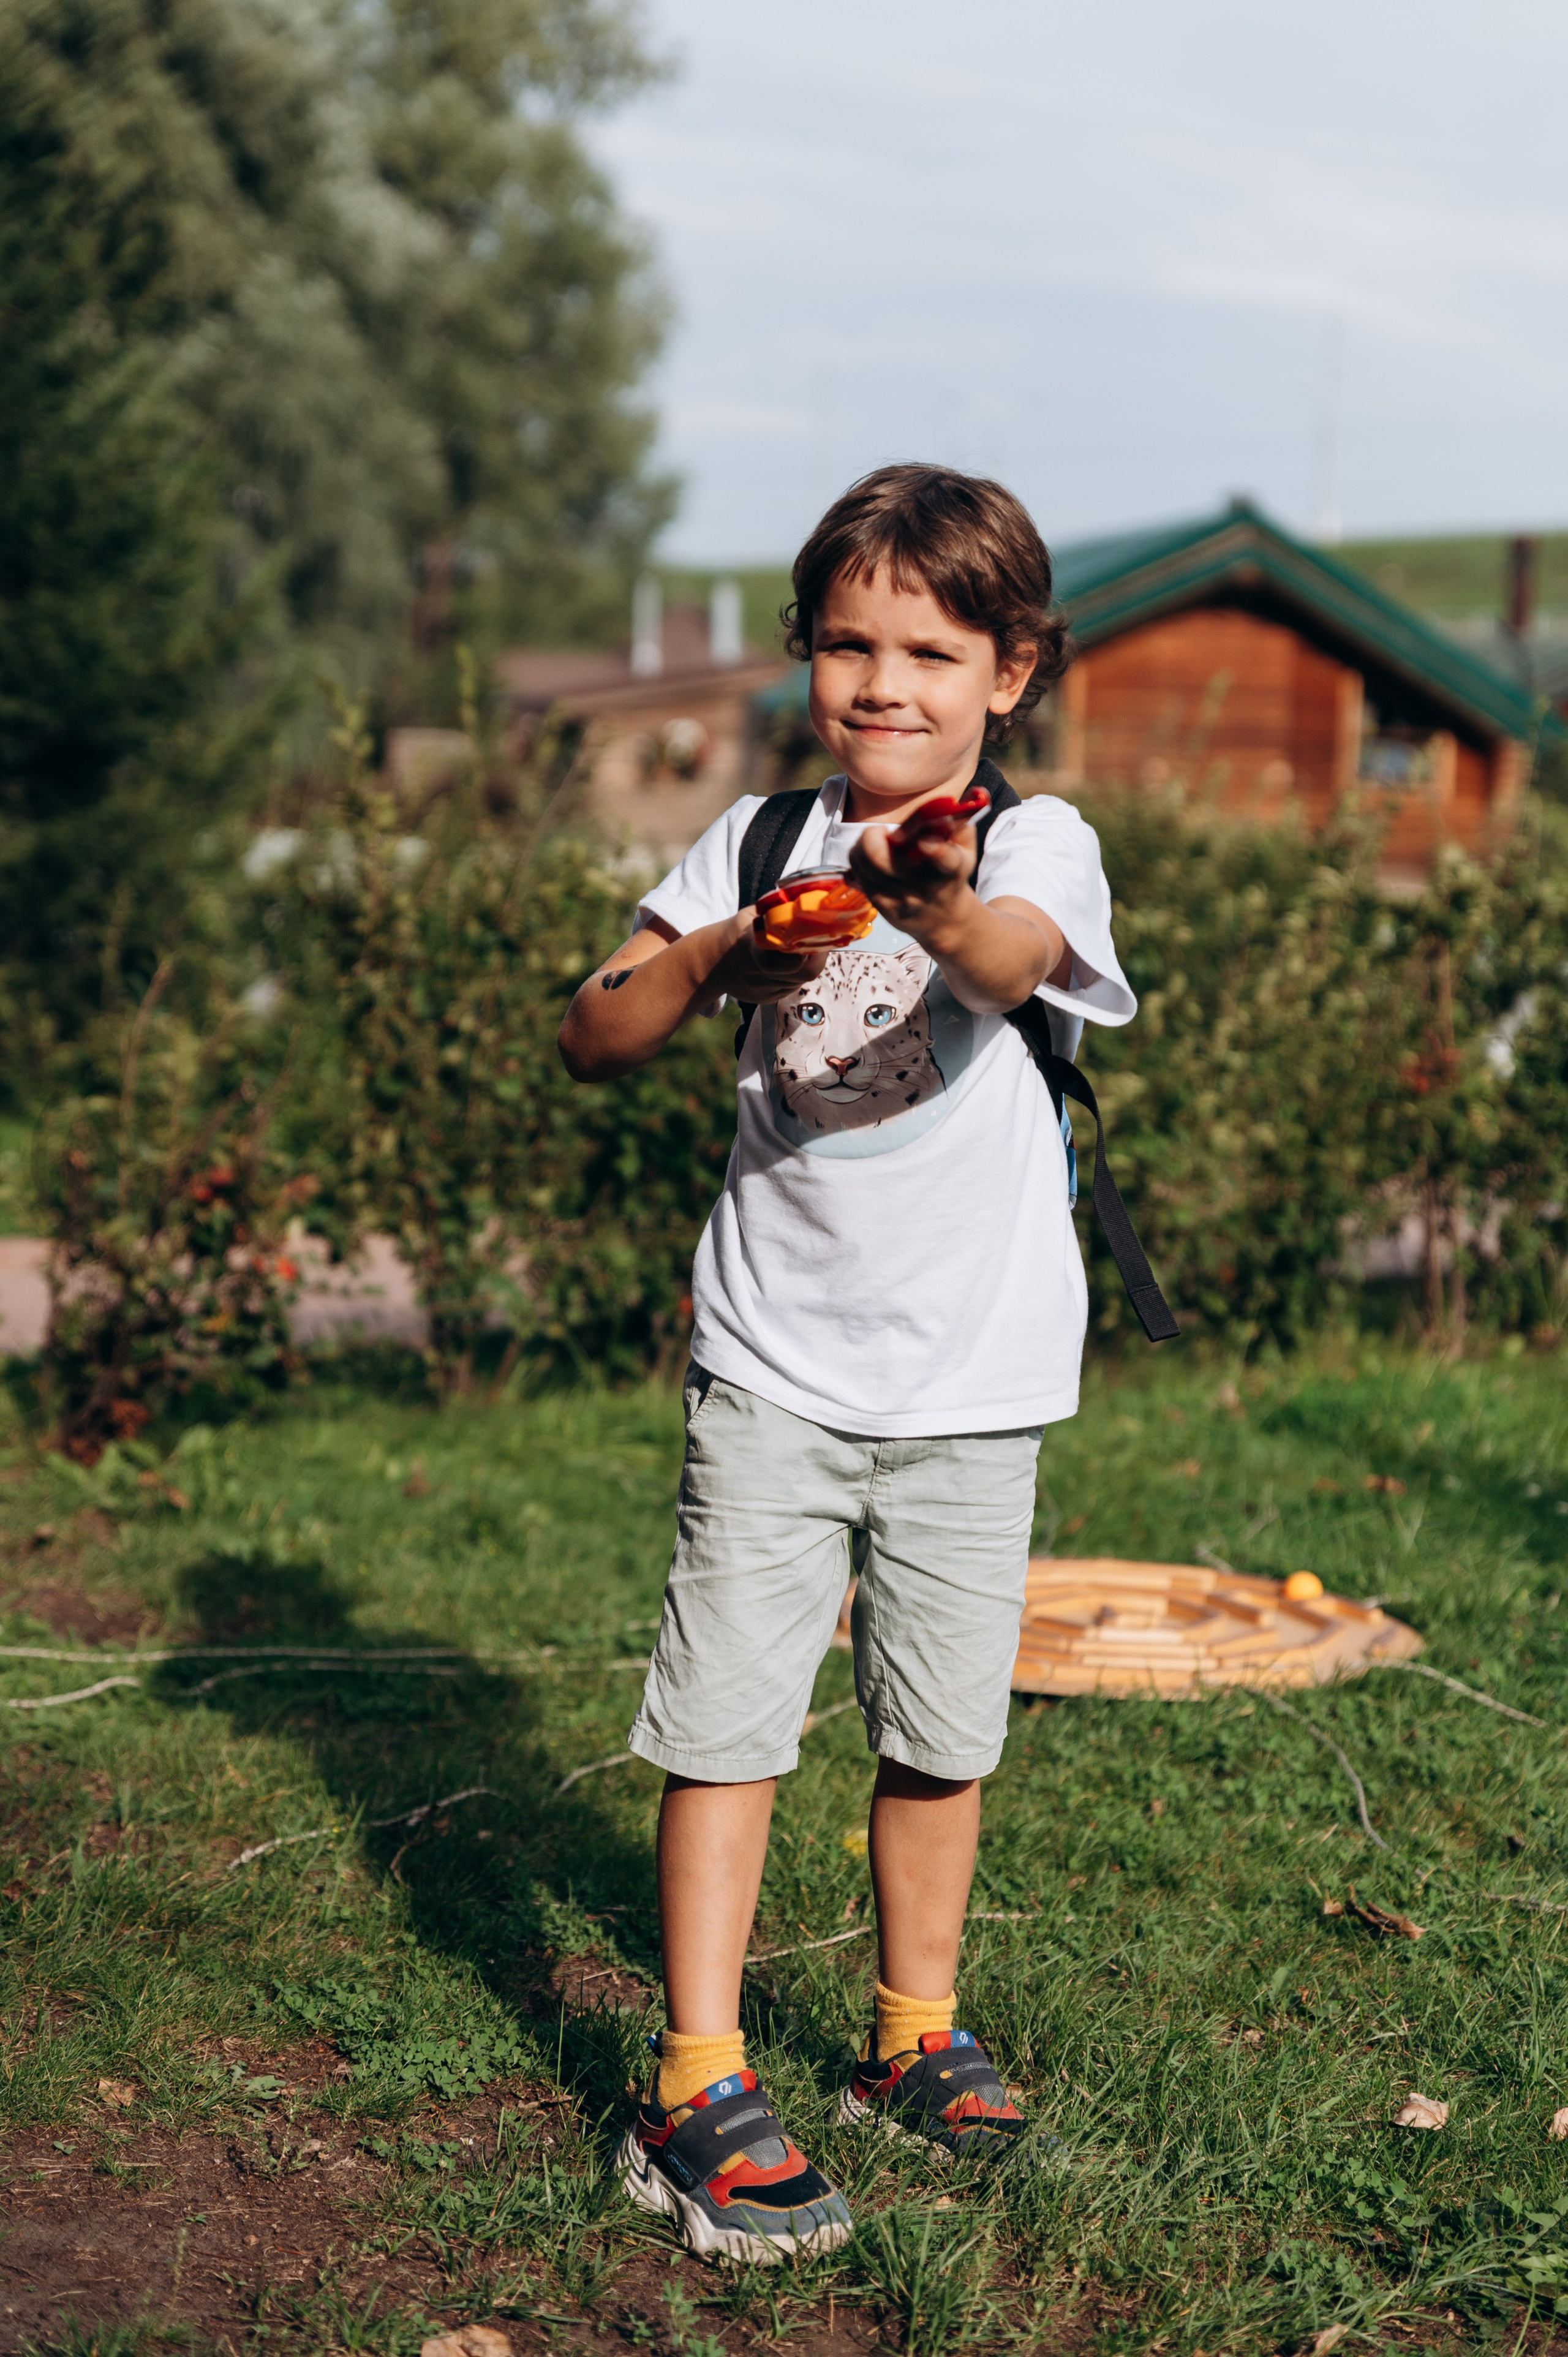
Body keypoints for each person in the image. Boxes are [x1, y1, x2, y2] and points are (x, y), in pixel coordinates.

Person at [557, 462, 1136, 2265]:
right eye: (847, 644)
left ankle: (910, 2036)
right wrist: (744, 939)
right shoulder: (746, 842)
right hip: (775, 1371)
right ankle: (698, 2075)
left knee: (939, 1734)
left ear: (1010, 672)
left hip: (974, 1386)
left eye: (930, 652)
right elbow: (597, 1026)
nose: (883, 684)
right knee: (729, 1726)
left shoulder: (1032, 846)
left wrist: (931, 891)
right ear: (808, 654)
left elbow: (1007, 959)